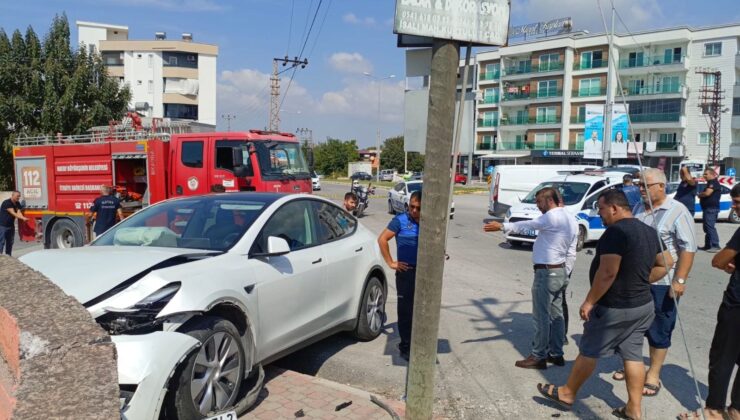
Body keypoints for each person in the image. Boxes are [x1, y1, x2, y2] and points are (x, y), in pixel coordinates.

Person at [535, 189, 672, 420]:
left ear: (614, 208)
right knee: (633, 356)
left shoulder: (615, 232)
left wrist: (589, 301)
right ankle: (634, 409)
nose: (600, 214)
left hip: (615, 307)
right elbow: (666, 262)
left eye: (601, 208)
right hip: (642, 305)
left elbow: (607, 273)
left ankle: (567, 393)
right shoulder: (649, 230)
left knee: (589, 349)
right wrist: (641, 280)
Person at [611, 168, 697, 397]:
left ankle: (653, 374)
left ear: (661, 186)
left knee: (660, 328)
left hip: (663, 282)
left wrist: (680, 279)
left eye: (645, 185)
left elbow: (688, 248)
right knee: (631, 325)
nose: (640, 189)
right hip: (636, 280)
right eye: (639, 185)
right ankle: (631, 364)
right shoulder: (638, 208)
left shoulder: (677, 211)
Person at [484, 187, 577, 369]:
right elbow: (571, 252)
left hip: (546, 273)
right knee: (556, 314)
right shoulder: (571, 219)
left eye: (539, 202)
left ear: (549, 200)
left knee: (541, 316)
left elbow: (529, 224)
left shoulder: (552, 217)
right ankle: (556, 353)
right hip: (559, 271)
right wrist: (565, 272)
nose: (537, 206)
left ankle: (538, 355)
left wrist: (502, 225)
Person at [679, 184, 740, 420]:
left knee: (722, 357)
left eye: (737, 203)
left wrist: (726, 261)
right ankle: (735, 409)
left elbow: (718, 260)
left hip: (736, 306)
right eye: (734, 202)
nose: (735, 207)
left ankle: (714, 409)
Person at [378, 190, 421, 361]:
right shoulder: (400, 221)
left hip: (424, 273)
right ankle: (406, 346)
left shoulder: (429, 221)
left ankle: (420, 344)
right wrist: (391, 262)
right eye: (412, 207)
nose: (414, 211)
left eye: (418, 208)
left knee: (422, 311)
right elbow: (382, 239)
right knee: (406, 312)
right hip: (405, 272)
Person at [699, 168, 722, 252]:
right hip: (707, 208)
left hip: (711, 209)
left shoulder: (713, 182)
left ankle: (715, 245)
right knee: (706, 228)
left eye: (706, 174)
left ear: (712, 174)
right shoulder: (710, 183)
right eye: (704, 174)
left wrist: (700, 195)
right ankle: (708, 245)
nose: (704, 176)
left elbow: (707, 193)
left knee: (709, 227)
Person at [0, 191, 29, 256]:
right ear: (12, 195)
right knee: (1, 242)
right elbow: (13, 213)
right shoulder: (7, 203)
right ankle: (0, 256)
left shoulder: (17, 203)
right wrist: (23, 218)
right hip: (3, 226)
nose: (18, 197)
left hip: (11, 226)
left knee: (10, 242)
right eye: (17, 196)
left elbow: (19, 212)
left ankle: (8, 256)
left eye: (19, 196)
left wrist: (23, 217)